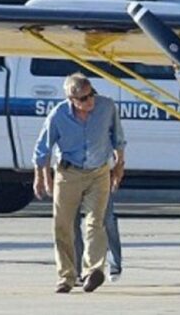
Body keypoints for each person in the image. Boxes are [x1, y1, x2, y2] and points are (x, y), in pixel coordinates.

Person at [32, 73, 126, 294]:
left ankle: (93, 271)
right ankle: (66, 276)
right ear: (71, 100)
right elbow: (42, 148)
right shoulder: (58, 115)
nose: (90, 101)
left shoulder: (106, 107)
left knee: (96, 222)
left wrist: (120, 164)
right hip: (68, 173)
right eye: (83, 99)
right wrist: (40, 176)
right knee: (63, 225)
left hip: (99, 172)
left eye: (91, 94)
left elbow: (118, 138)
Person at [74, 194, 122, 283]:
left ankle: (114, 263)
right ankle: (76, 270)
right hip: (71, 182)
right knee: (71, 221)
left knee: (106, 218)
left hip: (99, 181)